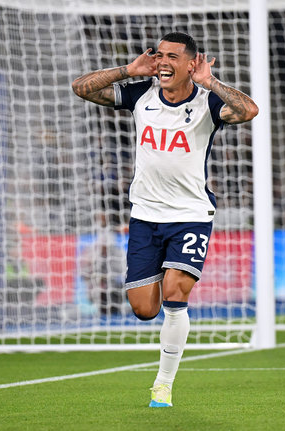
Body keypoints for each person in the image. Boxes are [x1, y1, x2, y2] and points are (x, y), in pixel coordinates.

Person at [72, 32, 258, 407]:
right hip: (144, 215)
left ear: (192, 63)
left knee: (176, 293)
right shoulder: (141, 94)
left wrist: (212, 82)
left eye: (172, 56)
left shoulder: (208, 102)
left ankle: (163, 384)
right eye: (159, 55)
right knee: (144, 308)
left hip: (190, 215)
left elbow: (249, 110)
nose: (162, 61)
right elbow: (81, 88)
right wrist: (128, 69)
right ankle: (164, 339)